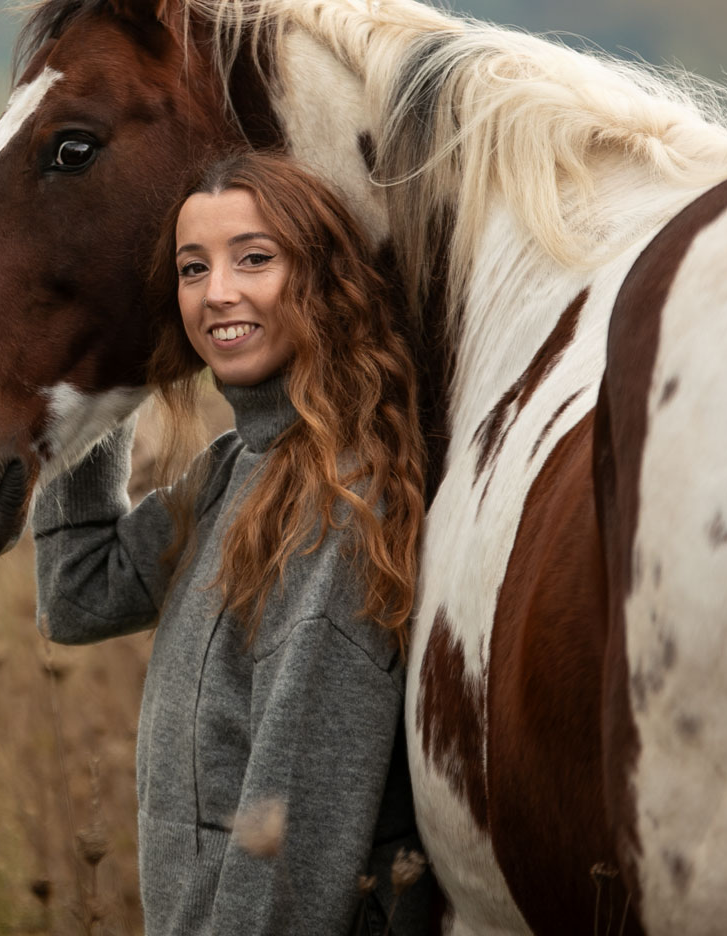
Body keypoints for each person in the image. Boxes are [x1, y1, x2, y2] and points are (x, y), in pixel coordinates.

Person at [32, 150, 438, 935]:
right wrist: (99, 376)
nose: (217, 293)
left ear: (321, 280)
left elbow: (294, 822)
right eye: (192, 269)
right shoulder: (236, 466)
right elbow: (77, 596)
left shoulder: (344, 498)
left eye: (254, 259)